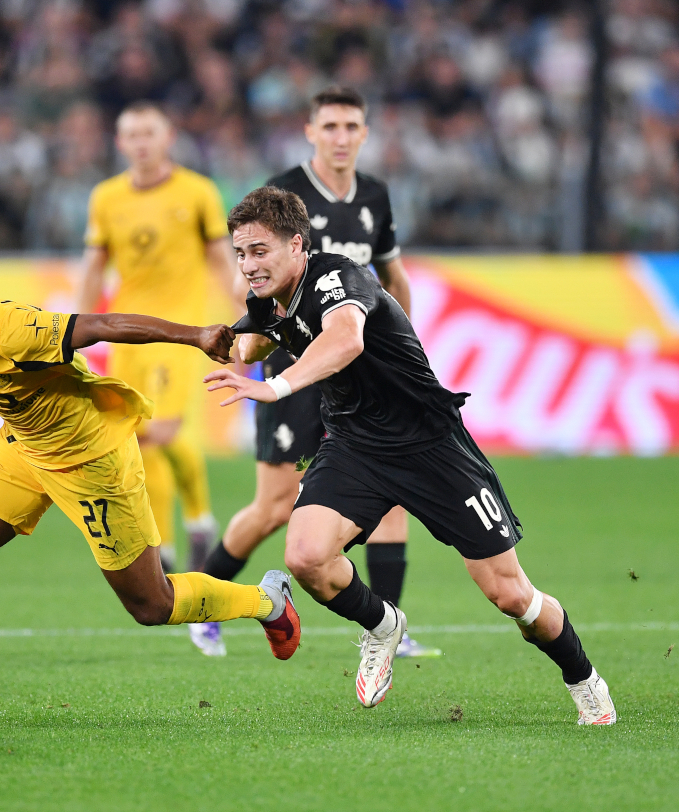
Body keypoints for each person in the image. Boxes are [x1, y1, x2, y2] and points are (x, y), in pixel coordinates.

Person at [205, 187, 615, 724]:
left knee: (510, 595)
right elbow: (252, 340)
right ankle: (382, 625)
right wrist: (216, 340)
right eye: (240, 253)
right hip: (356, 446)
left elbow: (346, 340)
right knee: (306, 557)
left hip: (431, 447)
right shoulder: (269, 300)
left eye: (259, 251)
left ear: (297, 245)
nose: (248, 265)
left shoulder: (337, 279)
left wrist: (277, 388)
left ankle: (584, 678)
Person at [0, 256, 300, 685]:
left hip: (92, 458)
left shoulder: (9, 330)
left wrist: (195, 335)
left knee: (151, 604)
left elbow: (104, 325)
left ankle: (266, 601)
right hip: (23, 449)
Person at [192, 86, 438, 659]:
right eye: (330, 126)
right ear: (310, 132)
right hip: (293, 362)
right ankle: (205, 605)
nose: (341, 137)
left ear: (365, 133)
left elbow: (393, 277)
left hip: (359, 366)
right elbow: (246, 273)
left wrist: (407, 345)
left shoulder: (374, 195)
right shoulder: (284, 194)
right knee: (276, 506)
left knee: (393, 488)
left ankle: (388, 628)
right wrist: (252, 326)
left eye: (352, 126)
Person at [78, 102, 235, 616]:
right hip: (128, 334)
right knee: (138, 440)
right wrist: (75, 328)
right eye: (131, 135)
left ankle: (193, 522)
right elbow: (95, 263)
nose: (141, 142)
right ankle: (174, 546)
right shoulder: (106, 197)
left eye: (150, 132)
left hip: (181, 333)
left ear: (168, 136)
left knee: (163, 431)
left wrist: (248, 315)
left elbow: (220, 258)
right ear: (121, 143)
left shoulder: (197, 192)